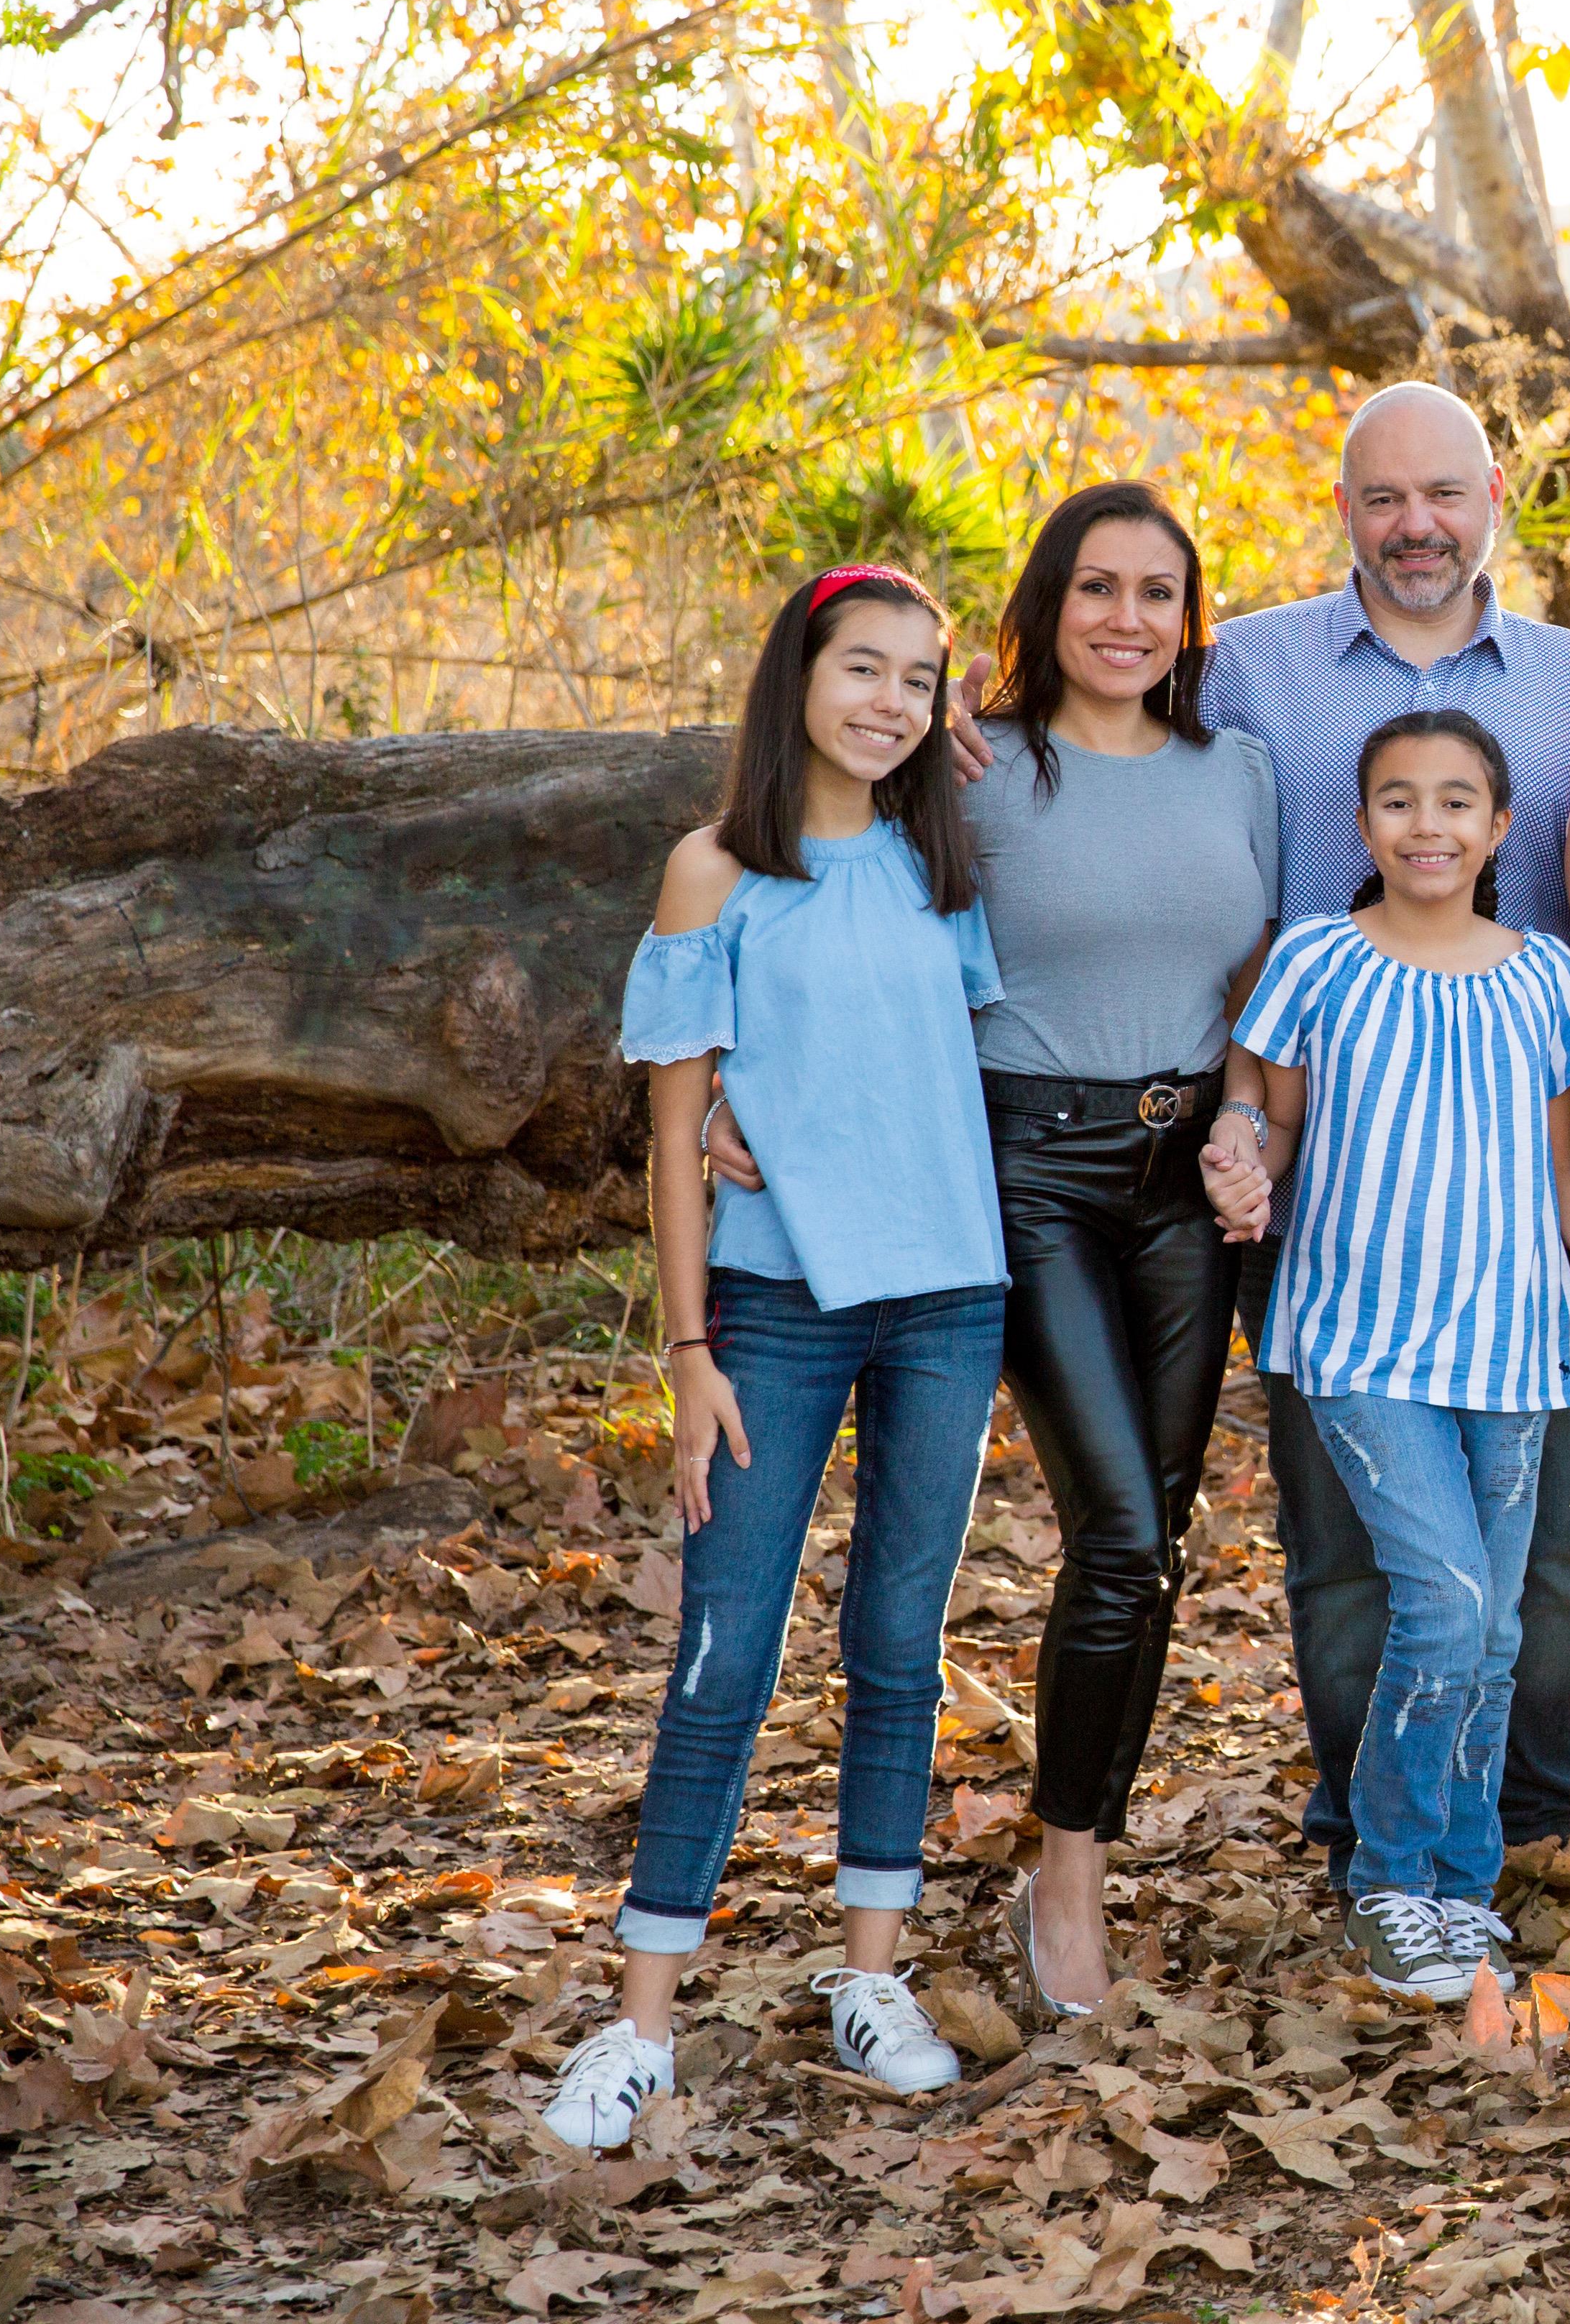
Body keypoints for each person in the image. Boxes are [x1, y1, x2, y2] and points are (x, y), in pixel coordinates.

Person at [1058, 385, 1570, 1896]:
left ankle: (1523, 1822)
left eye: (1443, 492)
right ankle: (1366, 1826)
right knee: (1348, 1554)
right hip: (1321, 1175)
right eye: (1384, 498)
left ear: (1493, 491)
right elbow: (1105, 743)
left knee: (1547, 1555)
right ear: (1344, 508)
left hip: (1519, 1178)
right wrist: (974, 747)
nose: (1416, 524)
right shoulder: (1247, 666)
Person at [542, 564, 1006, 2149]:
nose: (890, 702)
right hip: (778, 1311)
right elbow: (676, 1145)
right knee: (723, 1663)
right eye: (861, 669)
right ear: (795, 678)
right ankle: (641, 2023)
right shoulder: (713, 873)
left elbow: (924, 1069)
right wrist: (689, 1352)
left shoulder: (947, 867)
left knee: (898, 1646)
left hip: (950, 1297)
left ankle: (871, 1978)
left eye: (920, 681)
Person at [1199, 710, 1570, 2003]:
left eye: (1457, 803)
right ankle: (1390, 1877)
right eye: (1399, 801)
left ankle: (1459, 1882)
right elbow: (1266, 1125)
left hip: (1516, 1346)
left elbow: (1554, 1178)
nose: (1428, 825)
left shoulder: (1546, 978)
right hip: (1361, 1343)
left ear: (1503, 829)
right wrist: (1236, 1161)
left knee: (1495, 1635)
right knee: (1441, 1609)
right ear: (1363, 826)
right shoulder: (1319, 960)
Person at [957, 483, 1281, 2012]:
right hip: (1030, 1166)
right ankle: (1068, 1881)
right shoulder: (978, 770)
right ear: (1045, 604)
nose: (1129, 618)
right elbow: (838, 909)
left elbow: (1266, 983)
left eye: (1161, 591)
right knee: (1121, 1538)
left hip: (1183, 1178)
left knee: (1154, 1549)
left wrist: (1246, 1124)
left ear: (1190, 617)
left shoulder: (1242, 773)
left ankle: (1074, 1850)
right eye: (1098, 588)